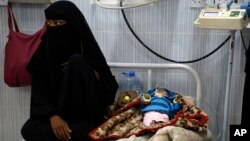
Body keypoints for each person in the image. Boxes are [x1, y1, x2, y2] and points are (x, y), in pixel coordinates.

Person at [21, 1, 118, 141]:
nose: (54, 28)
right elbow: (39, 94)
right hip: (58, 115)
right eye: (50, 24)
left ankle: (77, 133)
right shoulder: (44, 53)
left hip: (87, 117)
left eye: (59, 23)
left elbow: (109, 89)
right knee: (29, 129)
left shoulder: (88, 49)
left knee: (77, 61)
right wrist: (52, 116)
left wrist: (89, 72)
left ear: (73, 25)